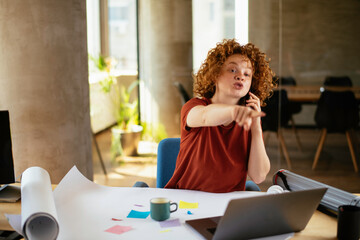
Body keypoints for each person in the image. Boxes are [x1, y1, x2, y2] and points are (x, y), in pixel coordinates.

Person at [165, 39, 277, 193]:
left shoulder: (247, 121)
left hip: (228, 206)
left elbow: (258, 176)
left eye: (247, 74)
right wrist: (233, 111)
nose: (240, 76)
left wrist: (256, 126)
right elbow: (205, 116)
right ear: (214, 75)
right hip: (187, 201)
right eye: (232, 70)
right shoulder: (194, 106)